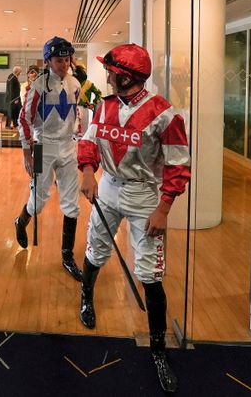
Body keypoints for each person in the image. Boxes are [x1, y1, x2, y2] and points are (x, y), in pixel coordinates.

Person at [76, 44, 190, 393]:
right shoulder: (103, 106)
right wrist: (86, 171)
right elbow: (89, 143)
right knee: (96, 249)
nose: (106, 76)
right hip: (108, 188)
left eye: (110, 71)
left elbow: (178, 164)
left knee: (150, 273)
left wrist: (164, 208)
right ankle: (86, 297)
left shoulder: (165, 114)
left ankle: (157, 349)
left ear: (124, 77)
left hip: (144, 195)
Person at [14, 36, 83, 282]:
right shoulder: (38, 86)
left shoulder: (75, 83)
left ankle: (67, 256)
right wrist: (26, 152)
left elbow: (76, 116)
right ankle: (21, 221)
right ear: (48, 61)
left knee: (72, 204)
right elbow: (24, 119)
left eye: (66, 59)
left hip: (68, 146)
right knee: (39, 199)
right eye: (58, 60)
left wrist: (79, 142)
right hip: (43, 145)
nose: (63, 64)